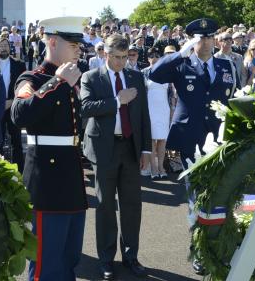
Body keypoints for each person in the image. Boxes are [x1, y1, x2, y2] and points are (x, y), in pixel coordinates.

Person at [149, 18, 235, 275]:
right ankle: (199, 250)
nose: (206, 41)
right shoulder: (181, 63)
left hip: (220, 139)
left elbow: (235, 94)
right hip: (191, 140)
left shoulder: (225, 64)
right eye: (200, 37)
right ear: (193, 40)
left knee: (223, 194)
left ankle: (221, 247)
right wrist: (181, 51)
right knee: (198, 198)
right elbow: (155, 74)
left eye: (210, 36)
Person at [11, 17, 89, 281]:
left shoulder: (73, 78)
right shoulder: (32, 77)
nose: (79, 49)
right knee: (46, 260)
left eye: (80, 45)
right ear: (53, 42)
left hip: (72, 177)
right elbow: (19, 113)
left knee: (69, 258)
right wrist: (56, 82)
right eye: (73, 44)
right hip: (47, 180)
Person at [80, 33, 151, 280]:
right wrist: (117, 101)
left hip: (130, 147)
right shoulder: (91, 77)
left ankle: (131, 256)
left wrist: (145, 149)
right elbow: (85, 108)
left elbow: (143, 115)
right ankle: (106, 260)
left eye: (126, 57)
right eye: (118, 57)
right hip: (104, 148)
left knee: (132, 205)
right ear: (106, 54)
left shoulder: (135, 76)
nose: (123, 62)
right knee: (106, 206)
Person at [0, 37, 26, 172]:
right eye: (0, 45)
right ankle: (0, 171)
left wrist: (12, 100)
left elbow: (23, 85)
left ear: (9, 48)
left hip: (13, 105)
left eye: (6, 45)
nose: (3, 47)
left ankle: (19, 171)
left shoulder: (20, 64)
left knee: (16, 141)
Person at [141, 48, 170, 179]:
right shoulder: (143, 73)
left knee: (162, 139)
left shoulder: (167, 73)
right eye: (151, 55)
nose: (154, 57)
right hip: (149, 109)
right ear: (148, 58)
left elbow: (172, 93)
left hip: (164, 108)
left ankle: (161, 167)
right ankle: (153, 167)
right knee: (152, 139)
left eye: (157, 55)